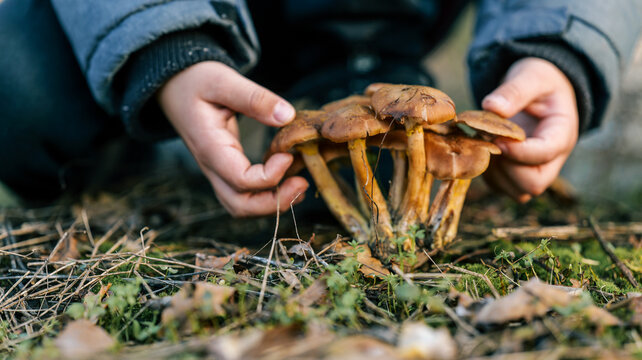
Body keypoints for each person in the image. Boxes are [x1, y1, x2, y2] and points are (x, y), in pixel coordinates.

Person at [0, 0, 641, 217]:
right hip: (206, 19)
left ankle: (367, 60)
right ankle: (144, 137)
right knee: (18, 96)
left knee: (388, 160)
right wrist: (163, 54)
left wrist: (561, 44)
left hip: (405, 24)